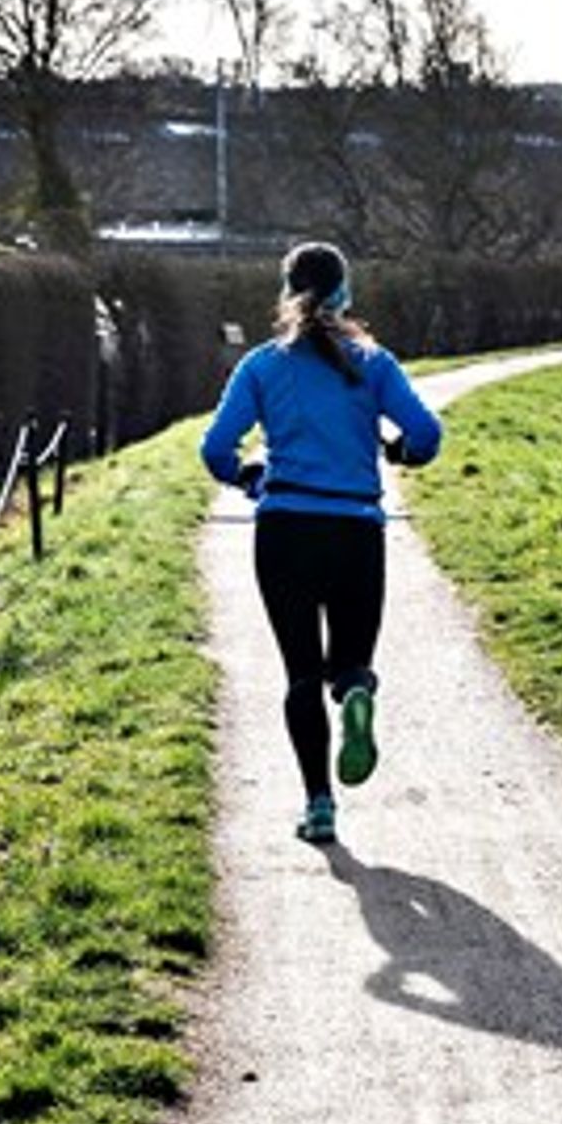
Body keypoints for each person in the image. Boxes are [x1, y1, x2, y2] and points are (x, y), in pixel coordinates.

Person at [200, 241, 442, 844]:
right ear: (345, 292)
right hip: (356, 528)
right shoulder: (373, 362)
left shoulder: (260, 364)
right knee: (351, 661)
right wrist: (401, 452)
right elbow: (426, 435)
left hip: (285, 530)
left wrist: (248, 476)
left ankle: (319, 805)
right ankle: (357, 692)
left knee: (301, 675)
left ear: (286, 292)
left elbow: (215, 449)